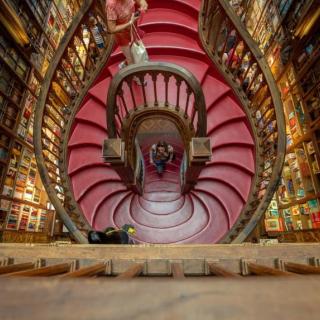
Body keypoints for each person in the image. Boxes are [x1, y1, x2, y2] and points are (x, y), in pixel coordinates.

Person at [106, 0, 148, 67]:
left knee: (136, 51)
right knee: (130, 60)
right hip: (122, 35)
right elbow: (112, 29)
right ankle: (133, 74)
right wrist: (129, 23)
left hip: (133, 29)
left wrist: (143, 4)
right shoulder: (111, 4)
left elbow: (140, 1)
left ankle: (128, 65)